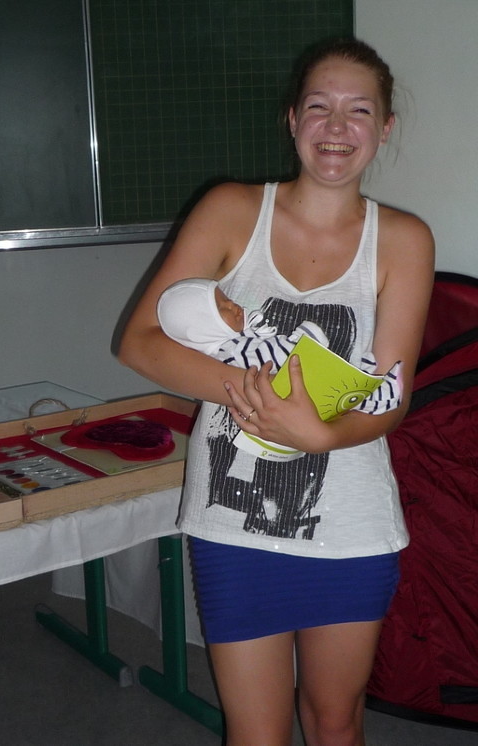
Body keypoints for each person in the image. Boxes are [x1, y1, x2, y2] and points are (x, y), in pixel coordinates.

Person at [119, 37, 435, 746]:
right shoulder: (231, 211)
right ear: (293, 119)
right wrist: (259, 392)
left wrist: (319, 432)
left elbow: (391, 395)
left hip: (351, 525)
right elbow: (140, 340)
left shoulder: (405, 240)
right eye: (319, 106)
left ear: (384, 127)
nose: (336, 127)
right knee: (257, 733)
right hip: (234, 527)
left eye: (359, 110)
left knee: (335, 723)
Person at [156, 277, 402, 416]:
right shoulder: (232, 352)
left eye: (227, 299)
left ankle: (364, 379)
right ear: (202, 328)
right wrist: (303, 340)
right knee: (339, 392)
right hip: (295, 390)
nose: (232, 305)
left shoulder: (239, 341)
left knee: (341, 385)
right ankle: (382, 396)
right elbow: (277, 358)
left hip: (296, 387)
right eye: (221, 308)